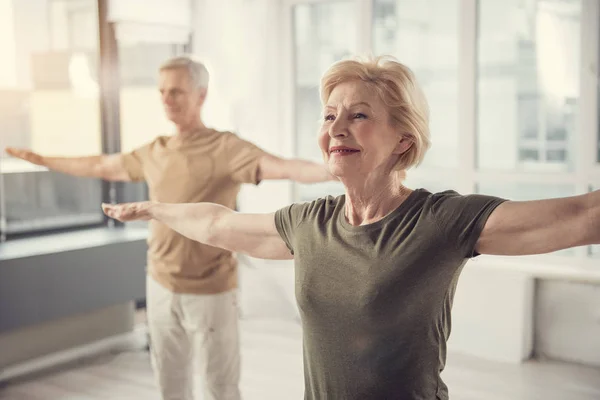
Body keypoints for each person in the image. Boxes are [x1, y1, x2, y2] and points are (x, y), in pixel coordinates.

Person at [102, 55, 600, 400]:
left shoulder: (437, 220)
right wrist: (155, 210)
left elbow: (582, 216)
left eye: (359, 115)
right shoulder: (309, 223)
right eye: (329, 115)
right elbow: (217, 223)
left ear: (403, 139)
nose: (336, 127)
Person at [5, 55, 337, 400]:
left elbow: (283, 167)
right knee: (169, 382)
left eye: (176, 92)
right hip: (160, 283)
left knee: (219, 386)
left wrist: (335, 168)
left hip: (211, 290)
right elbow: (101, 164)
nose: (167, 99)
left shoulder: (226, 147)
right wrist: (43, 161)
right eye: (162, 91)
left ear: (201, 95)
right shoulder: (155, 151)